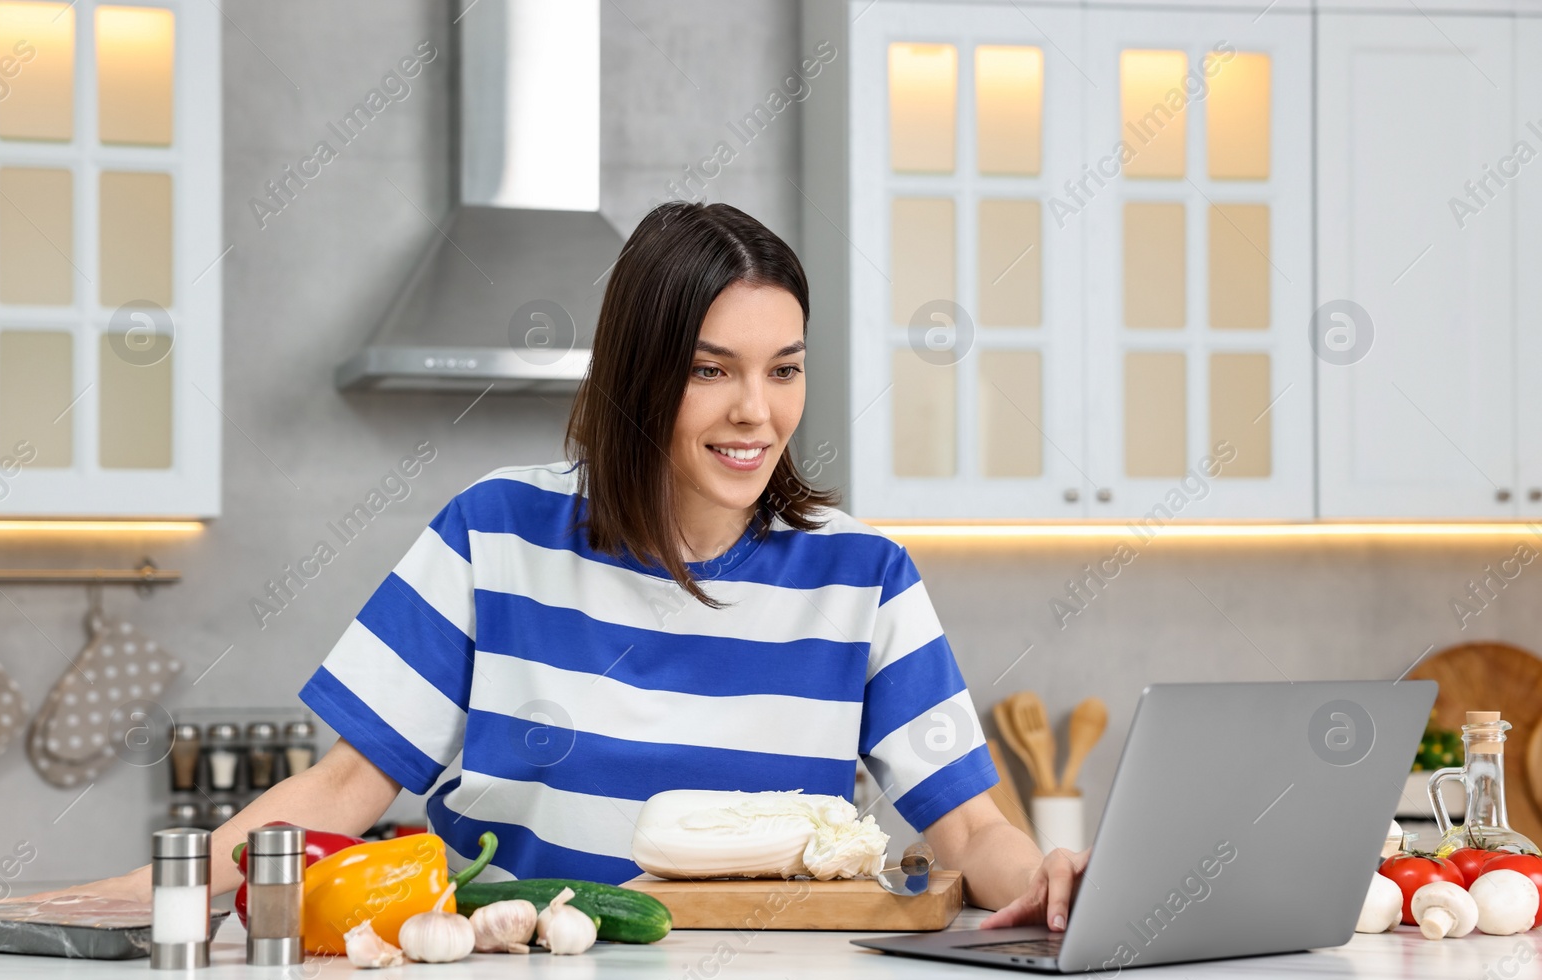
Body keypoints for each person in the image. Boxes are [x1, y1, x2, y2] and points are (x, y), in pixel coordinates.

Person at [52, 202, 1086, 931]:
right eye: (708, 370)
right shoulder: (493, 532)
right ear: (640, 375)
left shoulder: (862, 572)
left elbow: (965, 822)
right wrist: (140, 893)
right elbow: (345, 781)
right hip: (514, 979)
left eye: (785, 368)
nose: (755, 412)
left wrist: (1044, 878)